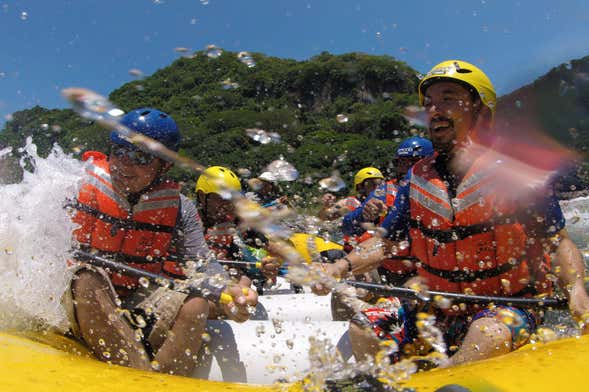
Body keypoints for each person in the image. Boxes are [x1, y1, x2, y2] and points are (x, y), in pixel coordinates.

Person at [317, 60, 589, 367]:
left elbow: (558, 242)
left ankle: (448, 377)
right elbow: (386, 243)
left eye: (448, 99)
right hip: (439, 307)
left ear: (481, 111)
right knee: (364, 326)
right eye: (430, 103)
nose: (435, 109)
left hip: (507, 307)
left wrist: (576, 289)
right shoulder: (416, 181)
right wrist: (340, 267)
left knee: (487, 334)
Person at [65, 108, 258, 376]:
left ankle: (165, 380)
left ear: (164, 166)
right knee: (86, 279)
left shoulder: (180, 207)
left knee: (196, 304)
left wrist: (229, 291)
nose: (124, 163)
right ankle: (141, 379)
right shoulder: (75, 187)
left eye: (139, 157)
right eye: (118, 151)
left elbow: (201, 264)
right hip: (81, 298)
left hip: (136, 299)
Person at [342, 137, 434, 285]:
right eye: (401, 163)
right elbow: (347, 227)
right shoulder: (384, 192)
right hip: (390, 270)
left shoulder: (443, 191)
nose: (406, 170)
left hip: (429, 270)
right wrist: (363, 214)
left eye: (412, 163)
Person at [195, 166, 282, 294]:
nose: (228, 204)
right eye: (221, 198)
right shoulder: (190, 221)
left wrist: (271, 265)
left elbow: (269, 245)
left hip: (226, 275)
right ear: (202, 197)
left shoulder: (235, 220)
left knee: (244, 279)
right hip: (197, 278)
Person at [319, 167, 384, 221]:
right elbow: (324, 218)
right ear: (360, 186)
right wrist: (326, 206)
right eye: (371, 183)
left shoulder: (384, 204)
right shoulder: (349, 202)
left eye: (380, 184)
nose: (377, 187)